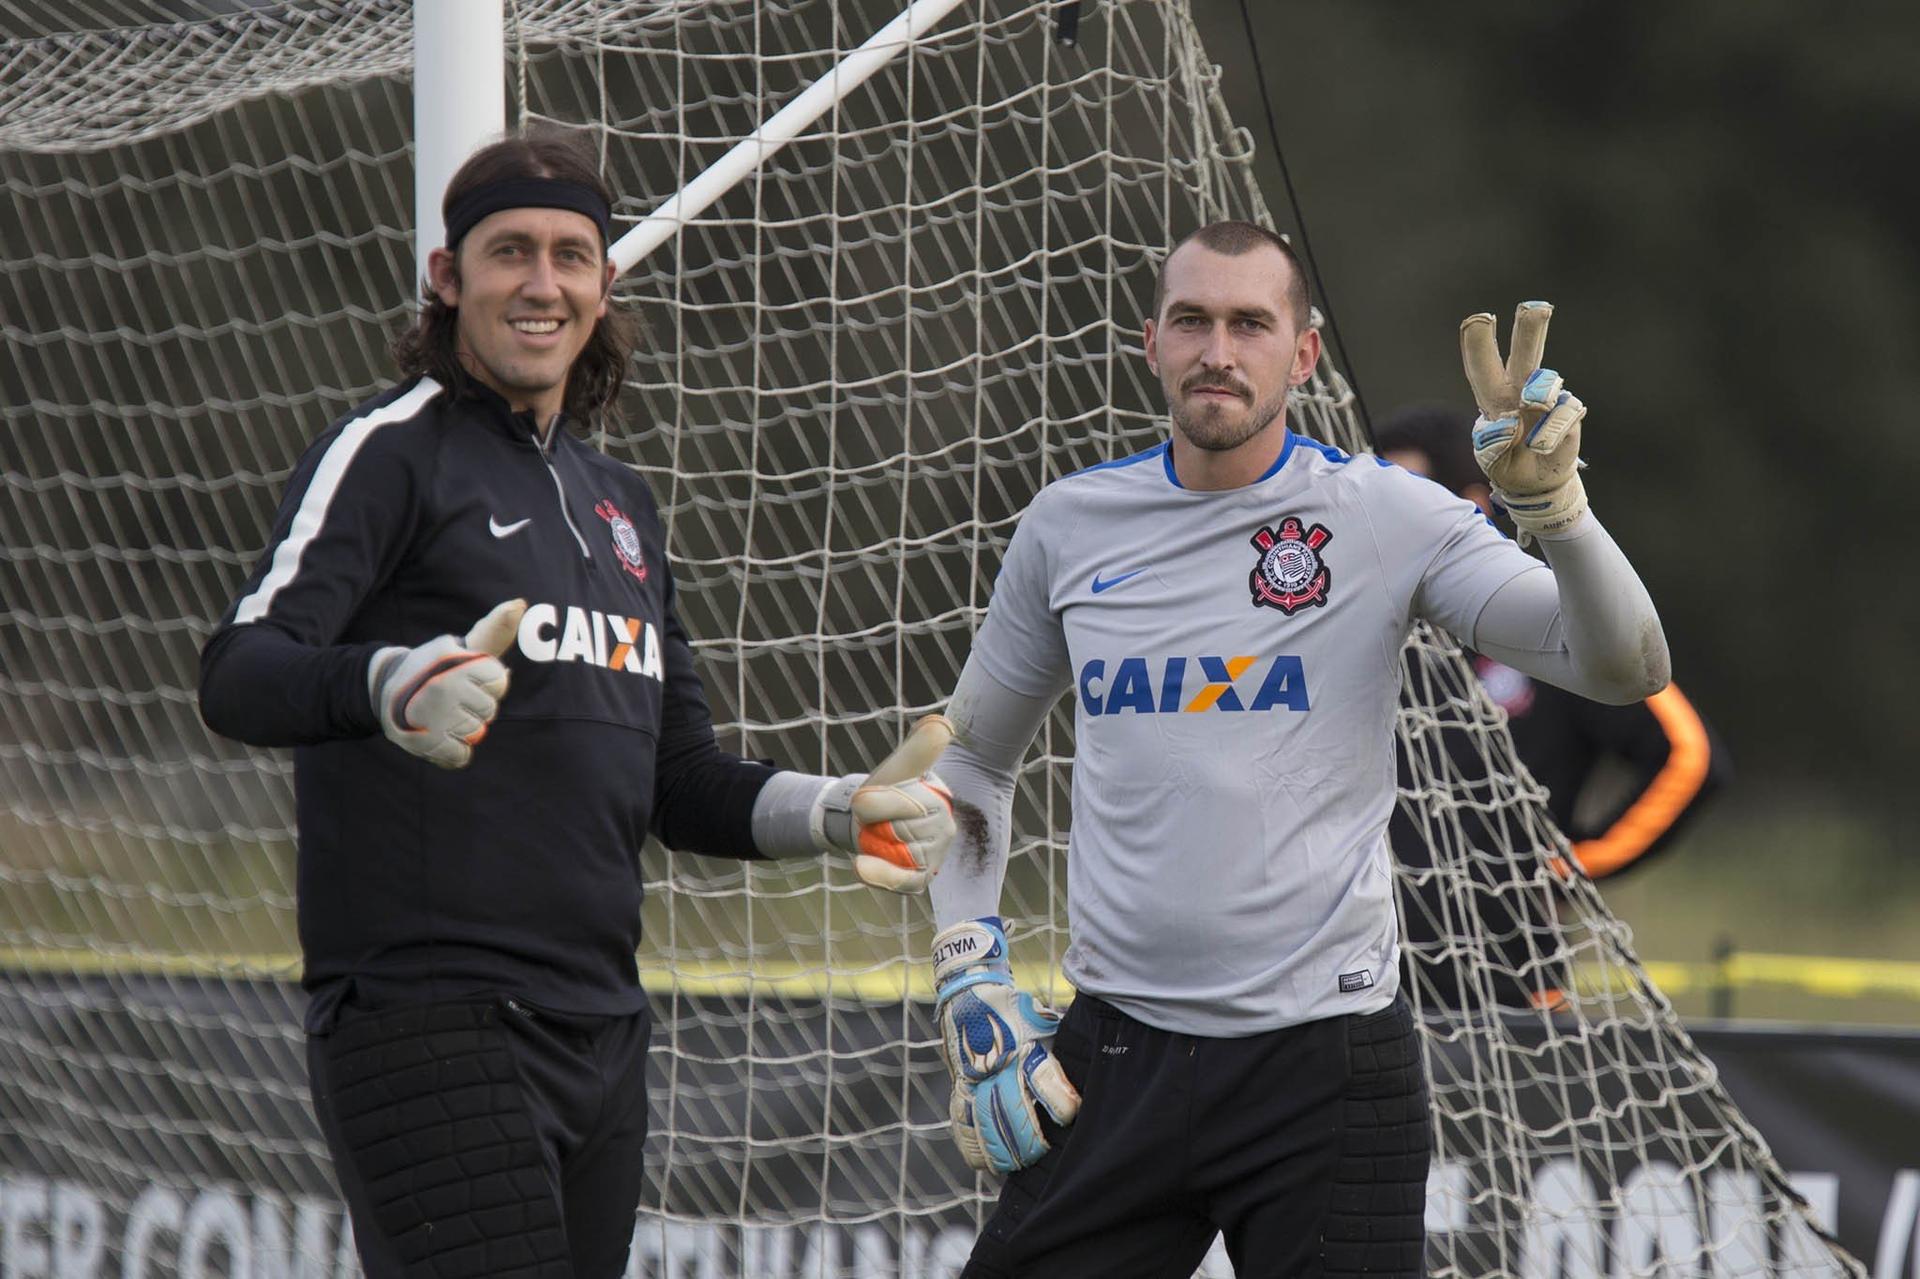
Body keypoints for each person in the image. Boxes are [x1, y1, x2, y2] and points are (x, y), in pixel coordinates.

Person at [197, 126, 956, 1279]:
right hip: (430, 1017)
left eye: (570, 254)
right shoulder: (390, 453)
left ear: (604, 285)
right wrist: (388, 684)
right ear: (448, 279)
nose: (541, 283)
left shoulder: (621, 506)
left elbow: (679, 779)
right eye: (509, 253)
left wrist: (839, 810)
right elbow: (238, 669)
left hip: (605, 1031)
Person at [921, 220, 1672, 1277]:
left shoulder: (1384, 515)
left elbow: (1623, 665)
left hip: (1329, 1072)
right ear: (1151, 341)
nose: (1217, 350)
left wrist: (1560, 512)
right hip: (1116, 1054)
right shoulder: (1068, 525)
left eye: (1249, 323)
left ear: (1303, 352)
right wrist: (969, 968)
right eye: (1192, 320)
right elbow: (972, 767)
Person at [1376, 406, 1731, 1012]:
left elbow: (1689, 756)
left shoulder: (1536, 615)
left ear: (1471, 504)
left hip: (1508, 987)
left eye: (1407, 492)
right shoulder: (1349, 615)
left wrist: (1571, 863)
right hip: (1355, 982)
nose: (1385, 517)